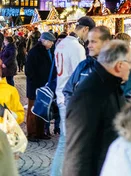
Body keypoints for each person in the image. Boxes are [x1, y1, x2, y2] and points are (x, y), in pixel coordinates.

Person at [62, 40, 129, 176]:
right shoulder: (90, 93)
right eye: (129, 63)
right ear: (119, 65)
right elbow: (77, 151)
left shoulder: (111, 87)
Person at [51, 15, 96, 176]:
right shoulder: (77, 48)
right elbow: (81, 75)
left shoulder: (61, 44)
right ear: (85, 29)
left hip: (61, 93)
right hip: (71, 98)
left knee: (66, 140)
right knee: (67, 141)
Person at [63, 25, 112, 105]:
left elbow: (130, 98)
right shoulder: (83, 66)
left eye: (93, 42)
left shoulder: (119, 67)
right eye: (89, 42)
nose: (89, 46)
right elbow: (68, 91)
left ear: (106, 43)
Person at [25, 31, 56, 142]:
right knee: (33, 110)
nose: (52, 44)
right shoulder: (34, 52)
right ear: (44, 41)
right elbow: (29, 71)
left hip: (44, 87)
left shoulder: (48, 51)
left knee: (42, 109)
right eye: (51, 42)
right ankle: (32, 133)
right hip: (35, 87)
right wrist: (37, 83)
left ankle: (40, 132)